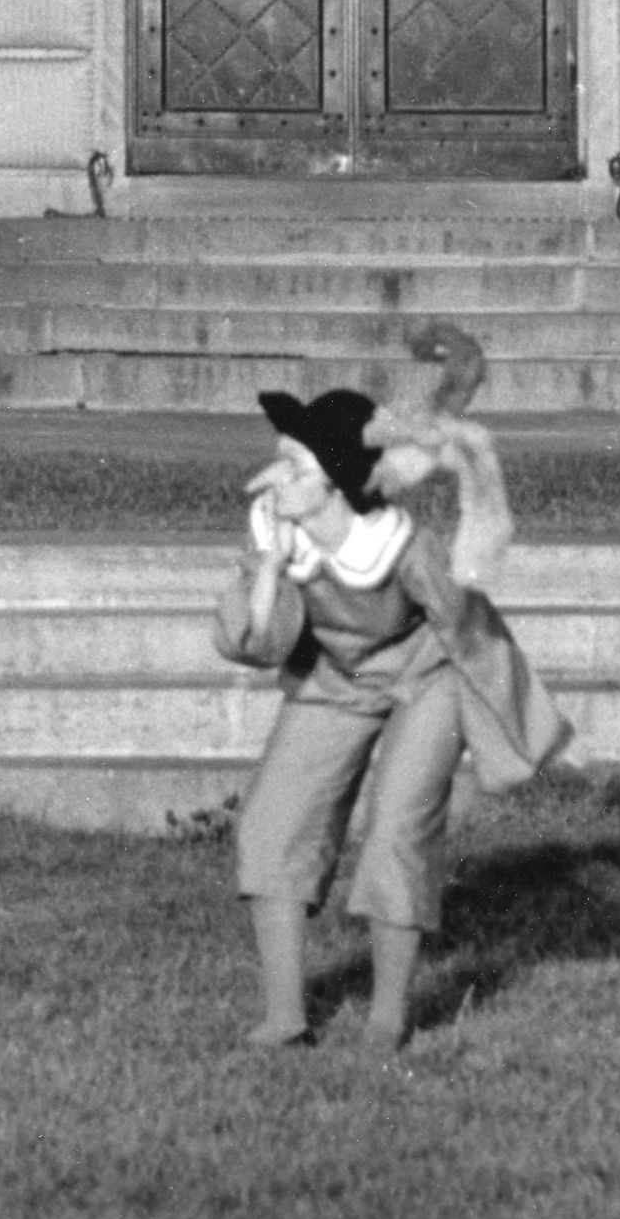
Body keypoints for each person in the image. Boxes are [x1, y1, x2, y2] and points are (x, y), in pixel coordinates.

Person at [218, 378, 570, 1051]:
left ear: (334, 481)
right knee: (272, 819)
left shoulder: (403, 547)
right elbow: (254, 643)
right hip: (340, 678)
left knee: (396, 828)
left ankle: (387, 1016)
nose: (272, 476)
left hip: (425, 678)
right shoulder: (275, 533)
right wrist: (267, 567)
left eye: (293, 464)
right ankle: (286, 1016)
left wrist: (529, 731)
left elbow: (469, 627)